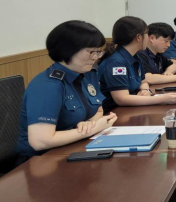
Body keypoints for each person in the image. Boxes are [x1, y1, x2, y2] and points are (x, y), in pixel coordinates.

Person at [15, 21, 118, 161]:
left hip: (75, 149)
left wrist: (88, 123)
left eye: (98, 52)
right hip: (42, 161)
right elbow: (40, 141)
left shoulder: (88, 74)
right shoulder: (47, 86)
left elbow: (98, 110)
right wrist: (93, 129)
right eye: (91, 52)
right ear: (68, 50)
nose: (95, 57)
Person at [99, 16, 176, 113]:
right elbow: (121, 99)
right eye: (147, 33)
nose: (148, 37)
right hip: (114, 113)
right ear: (138, 37)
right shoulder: (117, 62)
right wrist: (161, 99)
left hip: (131, 108)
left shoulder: (136, 56)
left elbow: (143, 81)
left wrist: (145, 90)